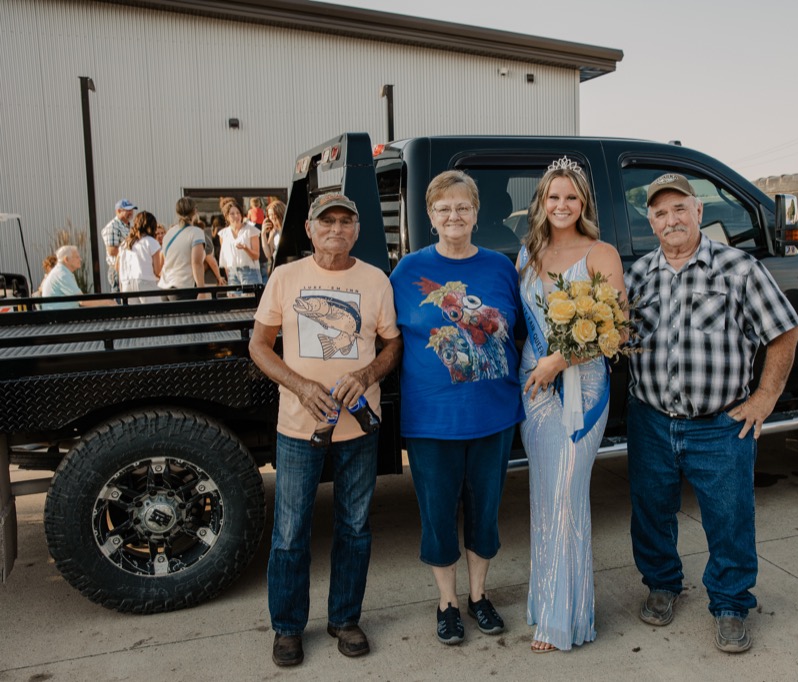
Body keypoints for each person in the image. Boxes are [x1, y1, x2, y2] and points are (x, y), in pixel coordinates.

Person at [625, 173, 798, 654]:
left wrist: (765, 397)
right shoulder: (636, 276)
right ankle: (662, 584)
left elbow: (785, 330)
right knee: (651, 512)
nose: (672, 220)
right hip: (651, 419)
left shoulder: (738, 268)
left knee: (729, 517)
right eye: (661, 213)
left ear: (699, 211)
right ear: (651, 223)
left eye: (680, 208)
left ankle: (730, 605)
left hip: (720, 424)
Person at [249, 191, 402, 668]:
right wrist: (299, 386)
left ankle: (345, 619)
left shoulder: (375, 280)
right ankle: (288, 627)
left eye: (345, 221)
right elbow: (259, 345)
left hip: (360, 427)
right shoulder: (285, 277)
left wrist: (367, 374)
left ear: (356, 230)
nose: (336, 229)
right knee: (290, 532)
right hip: (299, 428)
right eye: (326, 221)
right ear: (309, 229)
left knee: (354, 527)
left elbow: (393, 344)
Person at [389, 171, 523, 647]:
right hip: (432, 420)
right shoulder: (406, 271)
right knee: (438, 514)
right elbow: (387, 336)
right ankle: (447, 603)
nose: (454, 216)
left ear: (476, 212)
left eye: (462, 207)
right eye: (444, 208)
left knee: (485, 512)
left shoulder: (501, 267)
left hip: (493, 414)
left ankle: (479, 596)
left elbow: (520, 332)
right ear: (430, 216)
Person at [517, 158, 625, 653]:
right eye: (554, 197)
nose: (562, 205)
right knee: (544, 495)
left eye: (571, 198)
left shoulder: (600, 253)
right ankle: (548, 604)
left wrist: (558, 361)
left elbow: (616, 328)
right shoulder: (528, 253)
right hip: (534, 387)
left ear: (584, 203)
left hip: (583, 386)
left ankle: (564, 619)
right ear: (542, 202)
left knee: (565, 493)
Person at [157, 197, 207, 300]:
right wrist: (201, 290)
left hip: (164, 286)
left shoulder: (169, 233)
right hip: (183, 286)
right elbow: (196, 263)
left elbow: (165, 259)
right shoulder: (196, 232)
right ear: (195, 211)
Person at [38, 245, 113, 309]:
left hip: (61, 315)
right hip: (62, 318)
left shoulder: (61, 271)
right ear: (66, 259)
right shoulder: (62, 274)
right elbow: (82, 301)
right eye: (77, 257)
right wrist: (108, 302)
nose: (80, 259)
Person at [117, 211, 163, 303]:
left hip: (126, 283)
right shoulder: (151, 242)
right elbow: (157, 270)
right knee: (155, 311)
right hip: (146, 281)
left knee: (133, 312)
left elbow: (117, 267)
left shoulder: (124, 244)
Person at [219, 201, 262, 286]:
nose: (236, 216)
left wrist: (246, 248)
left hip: (250, 272)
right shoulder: (223, 234)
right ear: (227, 217)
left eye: (238, 213)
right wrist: (229, 277)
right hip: (232, 274)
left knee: (250, 295)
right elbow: (226, 259)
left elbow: (256, 256)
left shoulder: (251, 230)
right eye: (232, 214)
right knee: (233, 295)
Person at [101, 198, 136, 291]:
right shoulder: (113, 226)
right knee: (119, 297)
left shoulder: (129, 226)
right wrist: (132, 255)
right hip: (118, 269)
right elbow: (112, 251)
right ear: (118, 211)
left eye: (132, 210)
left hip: (128, 268)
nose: (131, 212)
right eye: (128, 210)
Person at [262, 199, 285, 275]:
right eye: (269, 215)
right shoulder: (273, 231)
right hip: (278, 266)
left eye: (273, 214)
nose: (271, 217)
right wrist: (263, 234)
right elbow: (268, 254)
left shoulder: (286, 229)